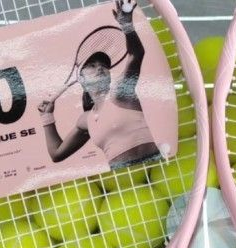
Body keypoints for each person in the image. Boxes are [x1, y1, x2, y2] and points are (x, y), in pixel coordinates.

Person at [38, 0, 160, 169]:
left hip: (155, 168)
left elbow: (136, 54)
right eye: (92, 66)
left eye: (103, 65)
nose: (100, 68)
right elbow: (56, 154)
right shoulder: (86, 120)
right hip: (123, 179)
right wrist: (47, 117)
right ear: (81, 79)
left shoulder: (120, 91)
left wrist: (127, 25)